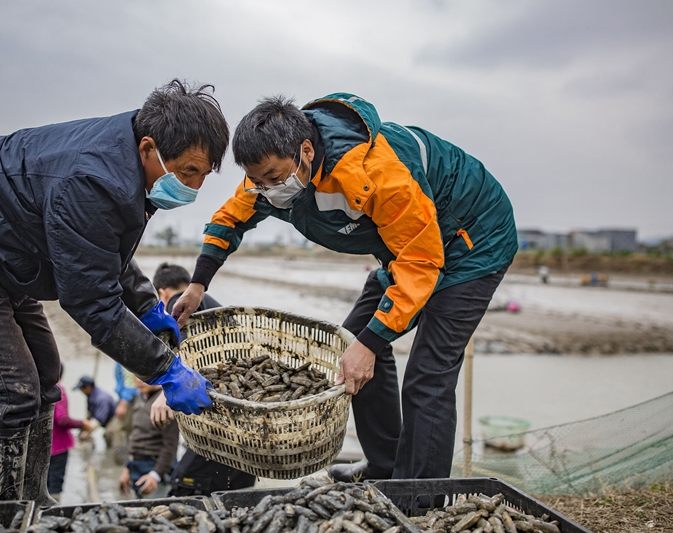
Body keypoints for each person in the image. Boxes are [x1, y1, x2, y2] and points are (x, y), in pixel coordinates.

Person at [0, 79, 226, 504]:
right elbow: (92, 304)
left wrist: (144, 305)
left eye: (201, 176)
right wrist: (166, 371)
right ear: (147, 147)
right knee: (8, 390)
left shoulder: (124, 168)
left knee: (46, 372)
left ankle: (33, 499)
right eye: (187, 172)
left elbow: (105, 251)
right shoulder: (91, 179)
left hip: (3, 254)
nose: (192, 188)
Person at [173, 94, 518, 482]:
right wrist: (198, 285)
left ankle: (421, 496)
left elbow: (420, 262)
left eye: (272, 177)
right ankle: (384, 466)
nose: (267, 189)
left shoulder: (374, 173)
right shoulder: (272, 174)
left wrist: (371, 345)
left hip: (470, 240)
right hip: (405, 249)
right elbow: (229, 219)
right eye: (257, 180)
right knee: (351, 346)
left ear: (306, 151)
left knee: (428, 373)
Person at [151, 263, 256, 495]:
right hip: (246, 425)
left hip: (221, 427)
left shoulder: (178, 302)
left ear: (162, 292)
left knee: (181, 486)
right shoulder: (212, 306)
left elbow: (192, 351)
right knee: (238, 493)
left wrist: (164, 392)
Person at [118, 376, 179, 498]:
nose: (139, 380)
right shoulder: (138, 398)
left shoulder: (163, 403)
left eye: (144, 376)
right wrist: (127, 468)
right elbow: (134, 436)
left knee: (156, 510)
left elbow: (170, 445)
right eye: (136, 375)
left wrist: (156, 475)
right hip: (136, 465)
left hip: (156, 466)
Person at [48, 364, 93, 501]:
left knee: (43, 482)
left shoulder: (37, 389)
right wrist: (82, 424)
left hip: (42, 446)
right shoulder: (58, 390)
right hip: (58, 445)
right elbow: (61, 419)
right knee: (55, 484)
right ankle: (53, 511)